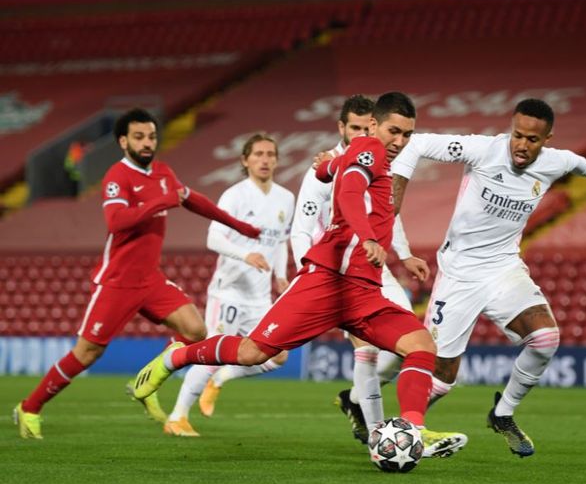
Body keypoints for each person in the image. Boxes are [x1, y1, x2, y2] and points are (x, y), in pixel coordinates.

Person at [131, 92, 467, 459]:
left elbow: (336, 172)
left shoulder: (367, 157)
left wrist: (326, 167)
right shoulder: (369, 148)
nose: (399, 142)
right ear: (373, 126)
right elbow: (352, 192)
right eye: (393, 131)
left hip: (364, 293)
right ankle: (174, 359)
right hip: (325, 282)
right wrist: (368, 236)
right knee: (251, 352)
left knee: (421, 345)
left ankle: (415, 430)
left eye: (407, 134)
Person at [390, 98, 586, 457]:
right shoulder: (483, 149)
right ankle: (403, 432)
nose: (522, 145)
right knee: (442, 378)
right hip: (460, 273)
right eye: (517, 135)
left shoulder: (554, 161)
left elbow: (578, 163)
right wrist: (394, 202)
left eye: (532, 139)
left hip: (503, 267)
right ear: (510, 129)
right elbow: (417, 143)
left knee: (545, 339)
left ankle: (503, 413)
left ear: (546, 139)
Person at [13, 108, 261, 439]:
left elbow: (194, 201)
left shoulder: (162, 172)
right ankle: (29, 408)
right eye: (140, 137)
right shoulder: (117, 176)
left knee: (195, 329)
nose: (147, 143)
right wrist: (159, 201)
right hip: (118, 280)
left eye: (152, 136)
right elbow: (117, 222)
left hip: (151, 279)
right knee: (87, 353)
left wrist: (240, 225)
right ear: (123, 141)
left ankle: (146, 381)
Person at [286, 94, 429, 446]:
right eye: (356, 128)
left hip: (376, 270)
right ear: (342, 128)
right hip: (336, 271)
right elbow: (301, 228)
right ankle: (381, 437)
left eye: (368, 127)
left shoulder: (380, 158)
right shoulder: (326, 167)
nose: (363, 133)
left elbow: (384, 213)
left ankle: (354, 399)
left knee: (408, 346)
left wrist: (406, 254)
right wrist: (310, 273)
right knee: (365, 349)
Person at [165, 133, 294, 437]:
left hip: (261, 296)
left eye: (270, 154)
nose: (265, 159)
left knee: (278, 355)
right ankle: (177, 417)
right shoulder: (235, 195)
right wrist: (246, 254)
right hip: (229, 292)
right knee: (212, 352)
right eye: (258, 154)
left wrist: (280, 274)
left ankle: (221, 379)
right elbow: (213, 238)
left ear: (277, 159)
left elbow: (281, 241)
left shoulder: (286, 198)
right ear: (245, 160)